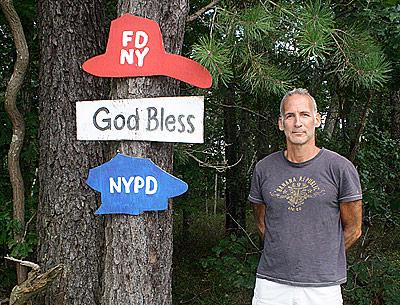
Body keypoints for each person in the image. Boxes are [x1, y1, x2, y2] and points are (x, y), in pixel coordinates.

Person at [249, 88, 363, 305]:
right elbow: (262, 223)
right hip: (271, 285)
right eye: (290, 116)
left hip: (323, 287)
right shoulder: (264, 169)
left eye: (304, 115)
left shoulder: (340, 168)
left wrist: (322, 256)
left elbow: (354, 229)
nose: (297, 122)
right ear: (281, 123)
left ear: (317, 120)